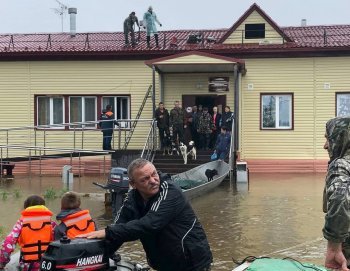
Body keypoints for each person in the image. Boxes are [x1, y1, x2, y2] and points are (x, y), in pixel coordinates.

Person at [77, 158, 213, 271]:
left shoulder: (171, 191)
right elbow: (120, 229)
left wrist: (107, 232)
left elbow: (151, 223)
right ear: (133, 184)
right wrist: (91, 256)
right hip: (164, 264)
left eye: (154, 174)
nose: (153, 180)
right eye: (145, 179)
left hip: (192, 263)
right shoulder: (132, 199)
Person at [323, 117, 350, 271]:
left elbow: (340, 198)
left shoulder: (341, 164)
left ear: (340, 138)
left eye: (329, 138)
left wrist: (333, 249)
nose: (325, 146)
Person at [0, 195, 55, 271]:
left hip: (28, 265)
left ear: (26, 207)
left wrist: (2, 262)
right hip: (47, 264)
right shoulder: (51, 223)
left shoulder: (21, 222)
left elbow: (8, 242)